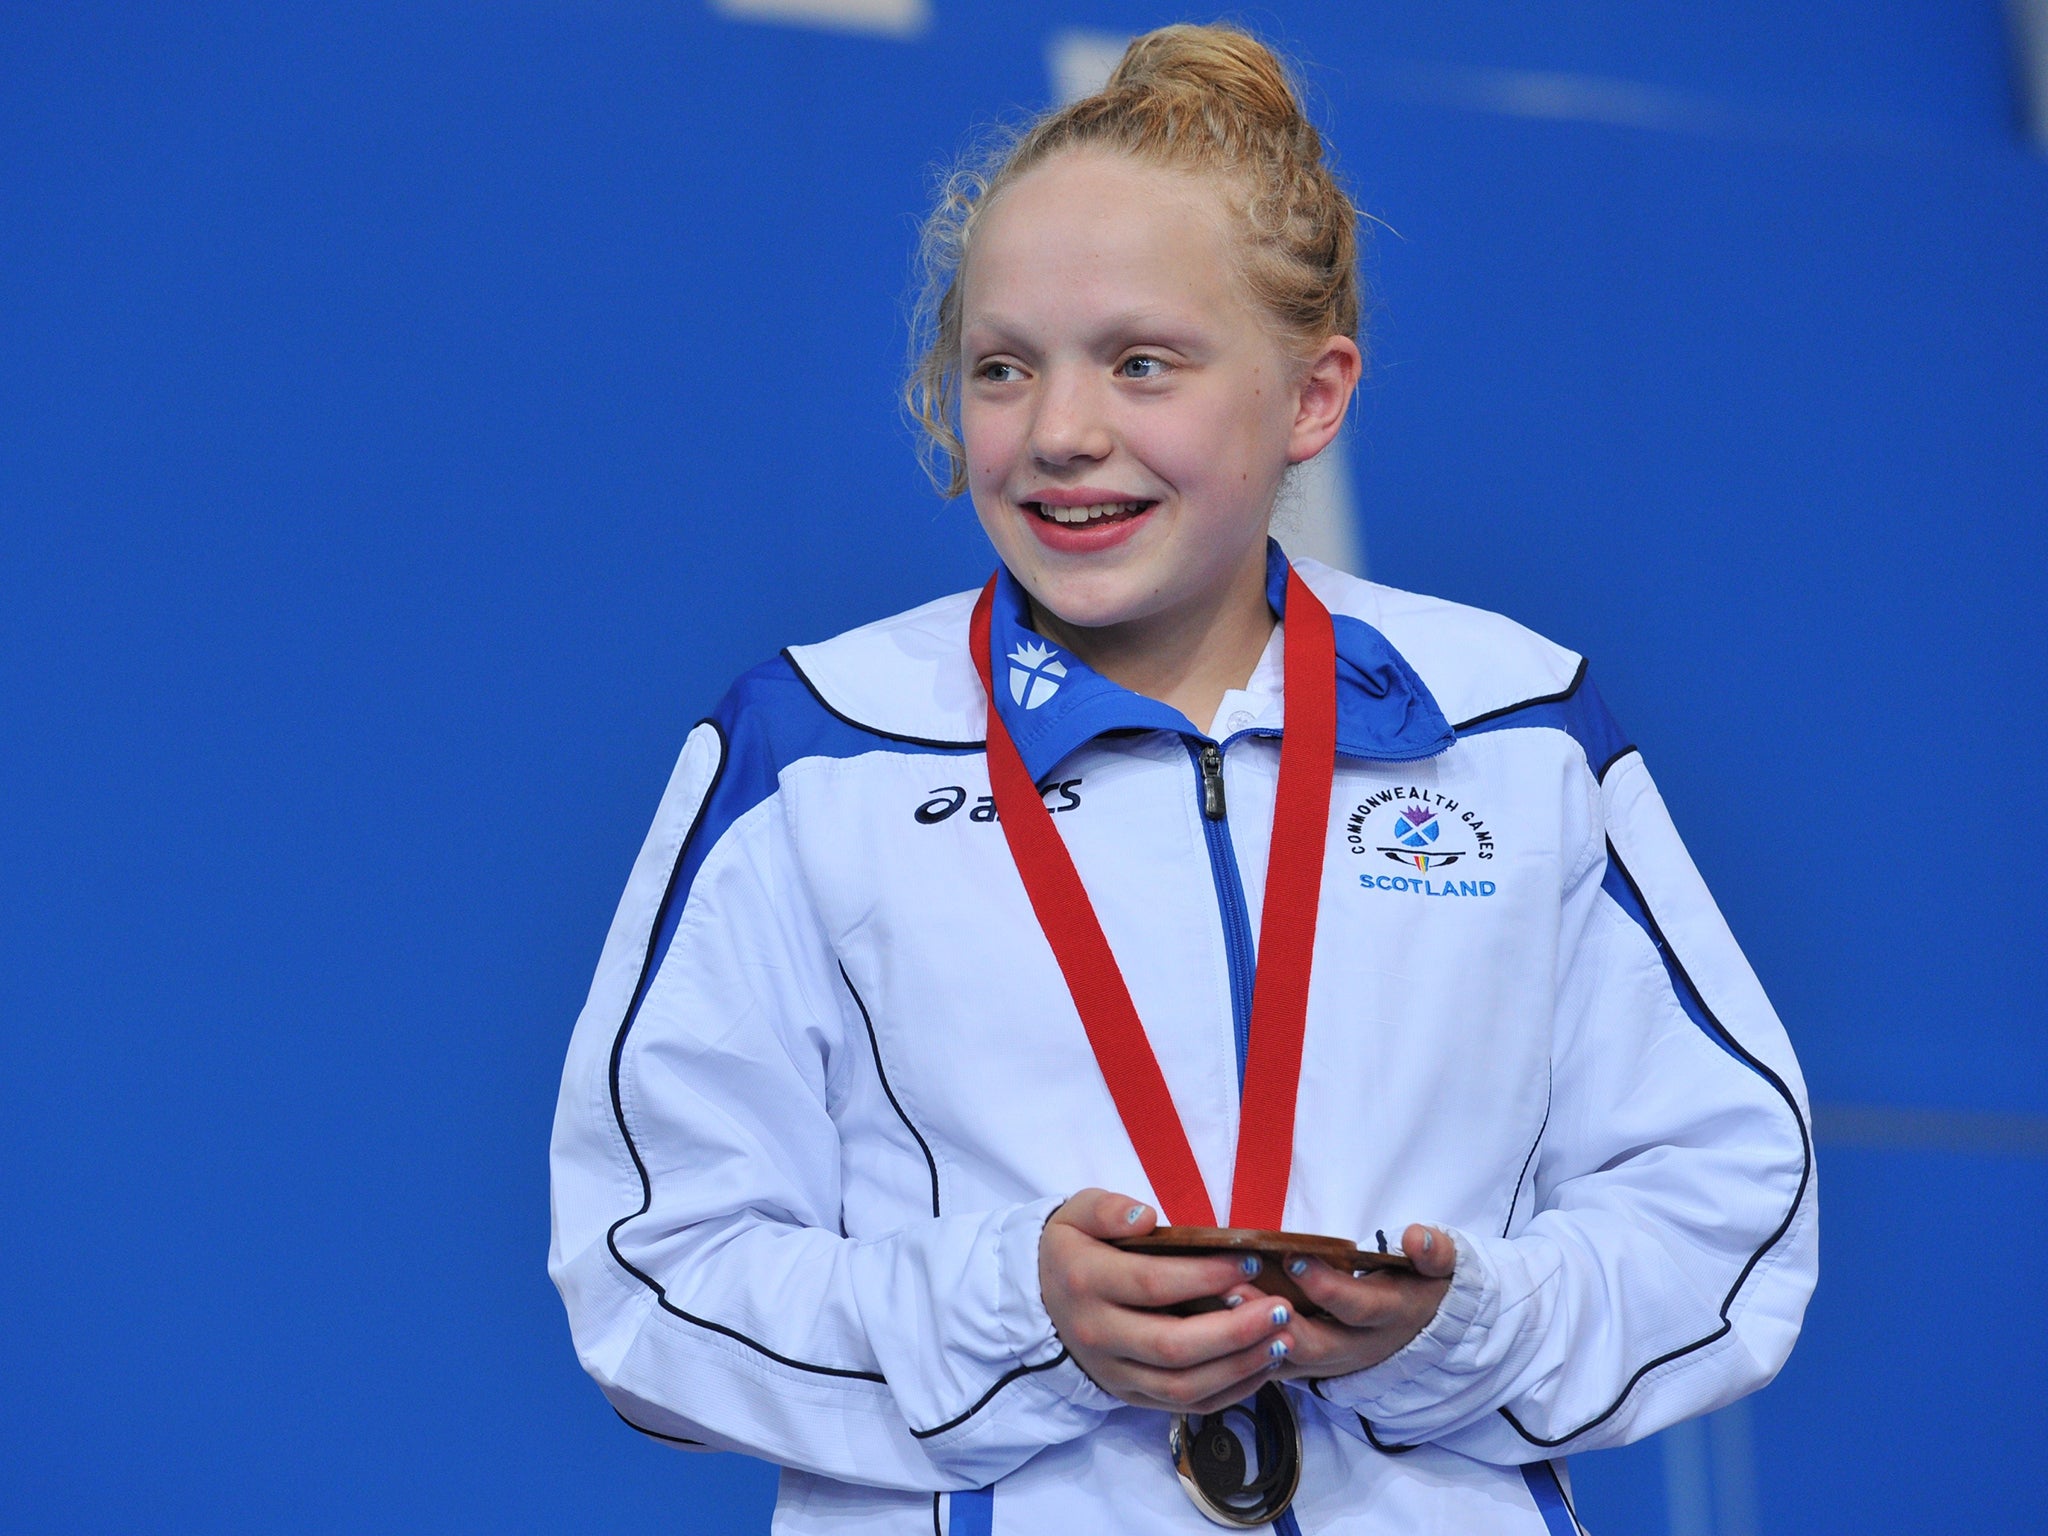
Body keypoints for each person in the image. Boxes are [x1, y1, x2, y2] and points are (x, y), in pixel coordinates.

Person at [549, 23, 1815, 1535]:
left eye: (1142, 362)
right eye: (1003, 368)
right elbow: (649, 1269)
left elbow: (1729, 1209)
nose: (1063, 433)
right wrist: (1021, 1318)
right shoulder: (819, 747)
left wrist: (1458, 1331)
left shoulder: (1514, 726)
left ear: (1312, 397)